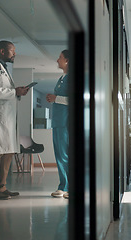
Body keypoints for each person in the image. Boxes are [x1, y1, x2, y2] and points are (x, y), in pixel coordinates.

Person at [0, 40, 29, 200]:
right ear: (2, 51)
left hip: (7, 117)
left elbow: (7, 91)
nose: (15, 54)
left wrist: (17, 92)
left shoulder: (4, 69)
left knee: (8, 151)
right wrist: (14, 91)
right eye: (12, 51)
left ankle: (2, 187)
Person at [46, 50, 70, 199]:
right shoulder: (62, 78)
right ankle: (63, 186)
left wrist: (56, 99)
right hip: (58, 122)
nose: (57, 60)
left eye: (60, 57)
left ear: (67, 60)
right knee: (60, 155)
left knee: (66, 155)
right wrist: (54, 99)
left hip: (66, 122)